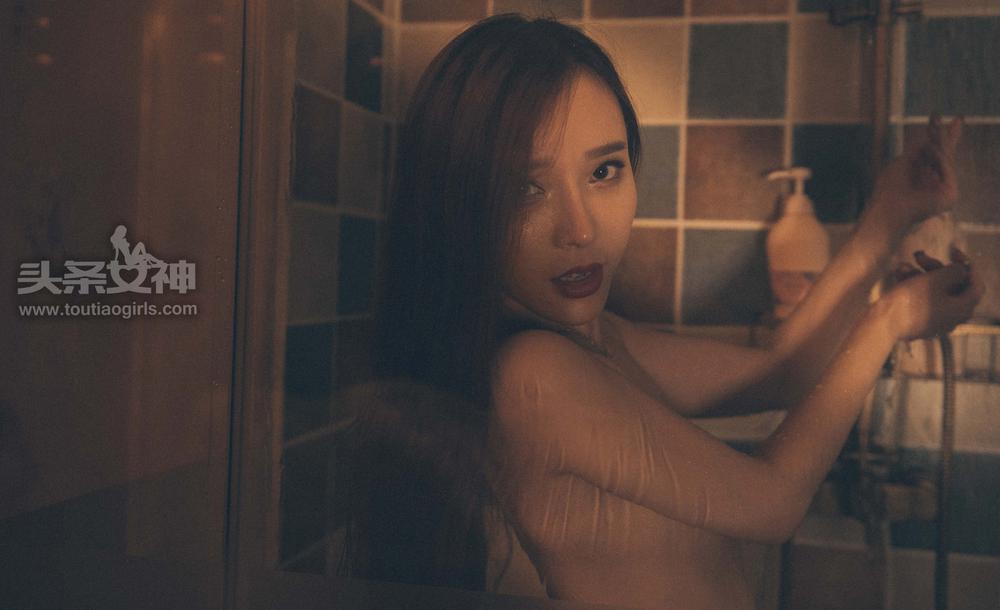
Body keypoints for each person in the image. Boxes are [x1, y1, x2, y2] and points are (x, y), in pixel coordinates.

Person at [338, 13, 982, 609]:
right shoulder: (534, 374)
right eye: (525, 188)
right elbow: (773, 503)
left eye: (604, 172)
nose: (580, 229)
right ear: (457, 202)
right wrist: (890, 321)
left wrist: (890, 214)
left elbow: (781, 370)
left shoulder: (592, 337)